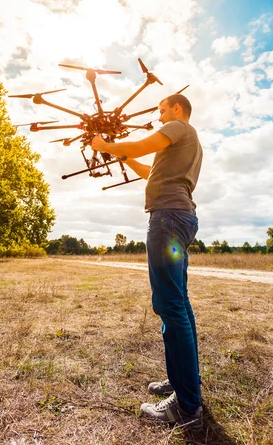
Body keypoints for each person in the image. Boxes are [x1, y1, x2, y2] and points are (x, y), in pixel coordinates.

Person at [91, 93, 203, 429]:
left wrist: (105, 144)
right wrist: (122, 155)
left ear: (176, 109)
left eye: (162, 110)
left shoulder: (179, 128)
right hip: (178, 217)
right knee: (179, 303)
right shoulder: (185, 143)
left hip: (168, 219)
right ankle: (186, 382)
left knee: (169, 305)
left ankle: (186, 407)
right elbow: (148, 169)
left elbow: (139, 146)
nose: (159, 116)